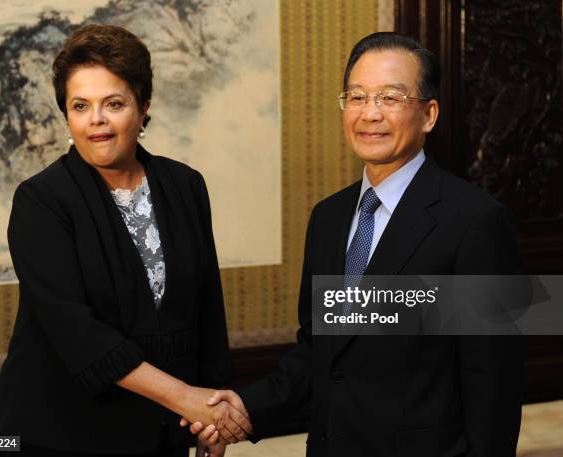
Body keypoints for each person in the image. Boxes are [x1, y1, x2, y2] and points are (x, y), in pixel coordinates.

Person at [185, 32, 525, 457]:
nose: (370, 114)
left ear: (429, 114)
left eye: (390, 97)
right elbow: (322, 352)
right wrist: (245, 409)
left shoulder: (476, 222)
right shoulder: (328, 218)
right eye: (358, 97)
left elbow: (494, 382)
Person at [0, 24, 250, 456]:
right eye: (80, 105)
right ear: (66, 114)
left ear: (143, 106)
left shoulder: (185, 185)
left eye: (113, 103)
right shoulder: (40, 201)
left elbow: (207, 305)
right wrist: (188, 399)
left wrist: (210, 407)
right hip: (64, 433)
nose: (96, 120)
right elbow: (79, 334)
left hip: (163, 432)